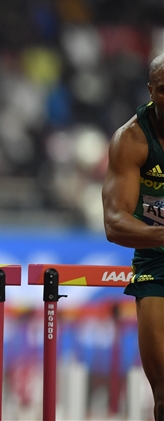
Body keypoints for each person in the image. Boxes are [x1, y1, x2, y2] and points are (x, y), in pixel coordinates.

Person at [102, 52, 164, 421]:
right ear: (150, 90)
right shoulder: (132, 139)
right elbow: (114, 223)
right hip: (156, 259)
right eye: (163, 90)